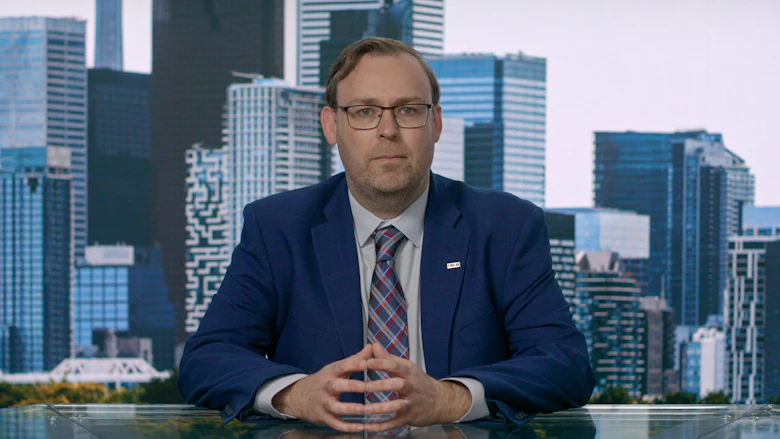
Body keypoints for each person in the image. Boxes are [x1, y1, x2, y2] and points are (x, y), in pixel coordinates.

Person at [178, 37, 595, 433]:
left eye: (409, 110)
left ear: (436, 123)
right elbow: (207, 359)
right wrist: (295, 394)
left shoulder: (505, 227)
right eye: (364, 111)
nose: (388, 130)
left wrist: (450, 399)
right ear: (331, 125)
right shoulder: (279, 228)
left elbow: (564, 364)